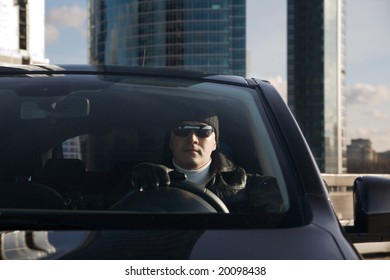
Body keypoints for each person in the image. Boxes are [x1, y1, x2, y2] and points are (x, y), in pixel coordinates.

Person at [115, 110, 283, 213]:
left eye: (203, 131)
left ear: (215, 143)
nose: (192, 139)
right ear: (170, 142)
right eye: (182, 131)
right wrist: (131, 182)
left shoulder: (249, 187)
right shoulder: (139, 181)